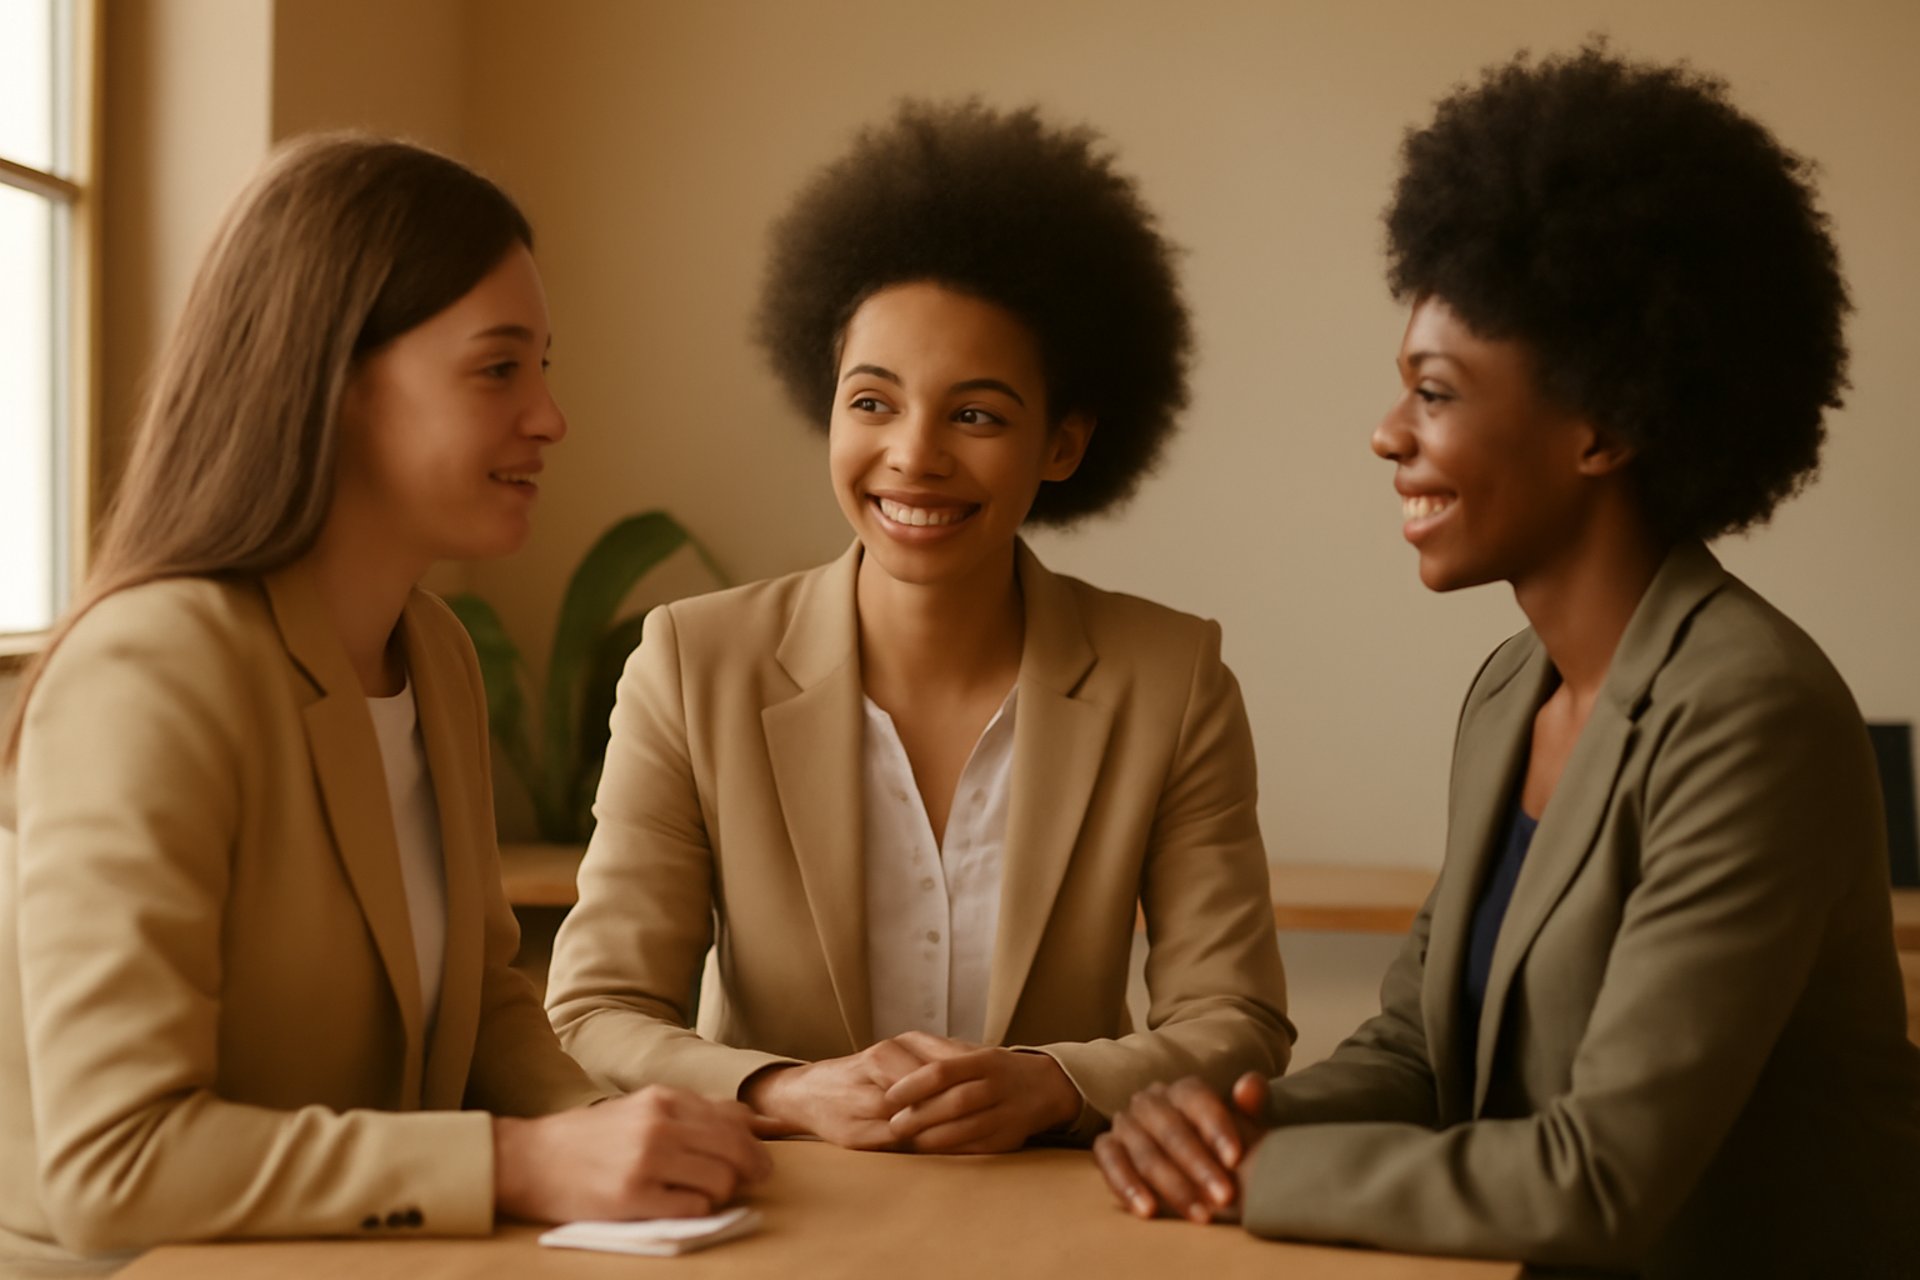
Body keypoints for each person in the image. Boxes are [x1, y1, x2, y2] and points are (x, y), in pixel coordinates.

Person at [1093, 44, 1920, 1277]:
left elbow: (1596, 1178)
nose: (1387, 434)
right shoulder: (1508, 690)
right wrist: (1232, 1122)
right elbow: (1424, 1052)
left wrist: (1257, 1176)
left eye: (1436, 392)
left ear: (1608, 425)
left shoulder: (1754, 715)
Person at [0, 134, 768, 1268]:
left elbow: (484, 998)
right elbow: (120, 1166)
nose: (550, 416)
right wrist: (522, 1162)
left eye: (543, 366)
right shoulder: (152, 669)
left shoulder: (437, 652)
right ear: (337, 379)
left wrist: (611, 1128)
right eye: (500, 367)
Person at [544, 99, 1292, 1154]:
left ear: (1064, 443)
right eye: (874, 402)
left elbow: (1239, 1021)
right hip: (776, 1212)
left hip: (1061, 1217)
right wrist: (787, 1091)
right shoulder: (690, 661)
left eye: (976, 414)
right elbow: (601, 1006)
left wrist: (1052, 1084)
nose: (914, 455)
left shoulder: (1169, 677)